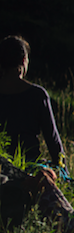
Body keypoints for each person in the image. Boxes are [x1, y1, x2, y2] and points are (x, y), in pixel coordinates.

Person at [0, 35, 64, 165]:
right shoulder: (37, 95)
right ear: (24, 60)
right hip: (28, 166)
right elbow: (53, 140)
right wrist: (63, 171)